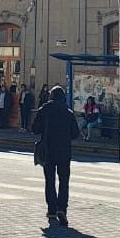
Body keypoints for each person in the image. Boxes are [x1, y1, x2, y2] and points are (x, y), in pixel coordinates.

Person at [32, 85, 80, 226]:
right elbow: (75, 133)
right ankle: (62, 209)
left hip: (48, 151)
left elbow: (35, 129)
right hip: (64, 152)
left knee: (50, 180)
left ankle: (52, 210)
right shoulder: (68, 112)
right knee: (64, 182)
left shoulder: (45, 110)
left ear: (51, 96)